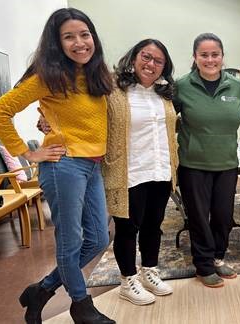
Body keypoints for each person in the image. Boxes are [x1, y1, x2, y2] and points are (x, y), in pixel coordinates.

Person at [0, 8, 115, 324]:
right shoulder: (48, 76)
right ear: (57, 42)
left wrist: (49, 123)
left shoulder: (95, 74)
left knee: (99, 239)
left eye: (84, 34)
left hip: (92, 165)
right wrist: (27, 153)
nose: (79, 42)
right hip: (64, 166)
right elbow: (0, 111)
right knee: (70, 240)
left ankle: (42, 290)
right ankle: (80, 304)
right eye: (69, 37)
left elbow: (86, 118)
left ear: (93, 38)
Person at [102, 39, 178, 304]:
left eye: (158, 61)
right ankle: (128, 280)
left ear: (164, 67)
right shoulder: (113, 90)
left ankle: (149, 271)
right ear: (134, 58)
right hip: (129, 171)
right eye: (146, 57)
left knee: (153, 226)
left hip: (160, 170)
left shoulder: (164, 93)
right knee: (127, 228)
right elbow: (88, 116)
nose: (151, 64)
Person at [174, 33, 240, 288]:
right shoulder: (182, 86)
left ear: (223, 57)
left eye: (215, 54)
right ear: (195, 57)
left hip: (226, 162)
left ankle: (217, 258)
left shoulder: (236, 86)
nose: (210, 59)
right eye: (204, 55)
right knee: (199, 217)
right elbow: (165, 115)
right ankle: (203, 265)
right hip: (194, 164)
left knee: (224, 216)